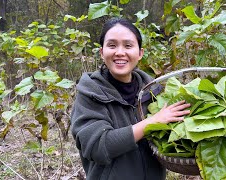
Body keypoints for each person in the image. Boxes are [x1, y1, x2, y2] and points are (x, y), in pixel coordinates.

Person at [71, 17, 191, 180]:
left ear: (140, 53)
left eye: (128, 45)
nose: (120, 52)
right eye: (112, 45)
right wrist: (154, 121)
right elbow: (98, 147)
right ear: (101, 52)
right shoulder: (90, 93)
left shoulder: (153, 90)